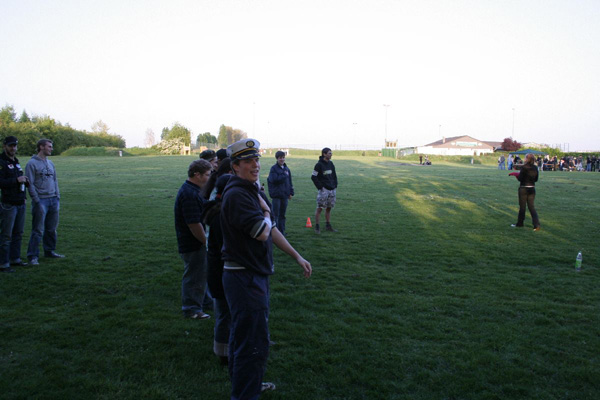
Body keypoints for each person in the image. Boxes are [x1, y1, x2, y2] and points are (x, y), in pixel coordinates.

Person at [221, 138, 312, 399]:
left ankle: (246, 386)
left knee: (244, 338)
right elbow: (262, 231)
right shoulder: (238, 194)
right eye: (248, 161)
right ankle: (246, 393)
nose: (255, 165)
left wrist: (297, 256)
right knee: (252, 343)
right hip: (244, 278)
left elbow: (271, 230)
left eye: (257, 159)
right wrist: (267, 212)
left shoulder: (250, 189)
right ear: (235, 166)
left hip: (251, 275)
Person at [174, 159, 213, 320]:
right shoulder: (190, 194)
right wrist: (206, 242)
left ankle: (206, 302)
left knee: (201, 274)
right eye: (208, 175)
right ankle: (191, 310)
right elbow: (194, 224)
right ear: (197, 175)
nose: (210, 178)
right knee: (194, 276)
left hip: (195, 243)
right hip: (192, 244)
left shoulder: (194, 190)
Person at [202, 170, 233, 365]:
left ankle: (225, 349)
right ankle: (224, 353)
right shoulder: (221, 215)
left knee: (223, 312)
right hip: (221, 268)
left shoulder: (214, 208)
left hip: (214, 266)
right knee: (224, 313)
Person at [26, 139, 64, 265]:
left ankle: (49, 251)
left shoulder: (51, 163)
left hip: (53, 199)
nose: (51, 149)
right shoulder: (31, 164)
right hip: (41, 200)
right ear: (41, 147)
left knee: (51, 229)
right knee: (38, 230)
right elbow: (30, 183)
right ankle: (33, 256)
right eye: (49, 146)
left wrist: (57, 195)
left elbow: (55, 180)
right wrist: (36, 200)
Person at [0, 136, 29, 272]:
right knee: (6, 235)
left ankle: (15, 259)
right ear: (4, 146)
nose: (13, 148)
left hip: (20, 202)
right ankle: (3, 263)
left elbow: (19, 180)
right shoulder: (2, 162)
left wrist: (24, 194)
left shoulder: (16, 161)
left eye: (15, 146)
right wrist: (17, 180)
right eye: (11, 146)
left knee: (18, 233)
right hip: (9, 204)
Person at [511, 153, 541, 231]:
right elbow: (536, 179)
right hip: (532, 188)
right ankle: (536, 225)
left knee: (522, 207)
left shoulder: (524, 167)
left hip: (523, 188)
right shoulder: (535, 167)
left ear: (527, 159)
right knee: (531, 207)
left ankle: (520, 223)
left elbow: (520, 178)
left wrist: (516, 175)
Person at [311, 147, 338, 234]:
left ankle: (328, 225)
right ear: (324, 154)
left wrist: (335, 185)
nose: (331, 155)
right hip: (324, 190)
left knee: (329, 208)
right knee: (320, 208)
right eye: (329, 153)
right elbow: (313, 177)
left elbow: (334, 175)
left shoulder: (331, 163)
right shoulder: (318, 165)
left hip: (332, 189)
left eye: (331, 153)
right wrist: (320, 187)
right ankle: (317, 226)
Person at [267, 151, 294, 236]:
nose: (282, 159)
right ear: (277, 158)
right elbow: (273, 180)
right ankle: (275, 233)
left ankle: (282, 232)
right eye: (280, 158)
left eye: (283, 157)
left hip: (284, 195)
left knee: (282, 215)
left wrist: (291, 192)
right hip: (277, 195)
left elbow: (289, 181)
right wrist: (284, 175)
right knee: (276, 215)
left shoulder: (286, 169)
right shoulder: (273, 169)